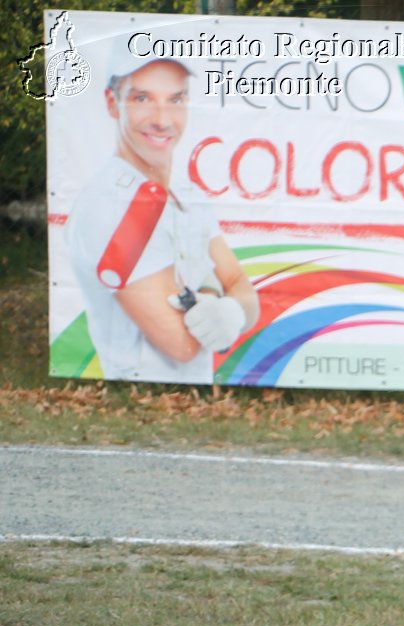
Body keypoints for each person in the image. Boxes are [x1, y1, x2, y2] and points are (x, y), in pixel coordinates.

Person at [64, 49, 258, 384]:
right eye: (142, 98)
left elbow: (243, 288)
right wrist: (214, 294)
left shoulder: (187, 193)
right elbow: (180, 344)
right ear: (113, 103)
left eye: (175, 100)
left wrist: (232, 312)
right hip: (139, 401)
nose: (162, 119)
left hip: (194, 404)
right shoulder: (109, 207)